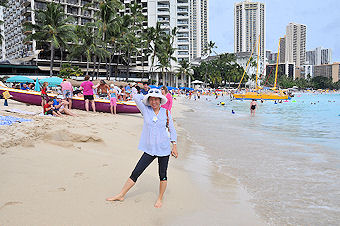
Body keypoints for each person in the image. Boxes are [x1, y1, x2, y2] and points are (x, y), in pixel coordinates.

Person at [106, 88, 178, 208]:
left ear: (160, 100)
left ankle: (160, 198)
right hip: (150, 149)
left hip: (164, 149)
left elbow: (172, 129)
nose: (154, 102)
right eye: (151, 99)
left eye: (156, 99)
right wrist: (147, 95)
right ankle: (121, 194)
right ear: (148, 100)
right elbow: (135, 97)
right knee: (136, 172)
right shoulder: (145, 110)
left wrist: (174, 145)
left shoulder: (166, 112)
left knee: (163, 175)